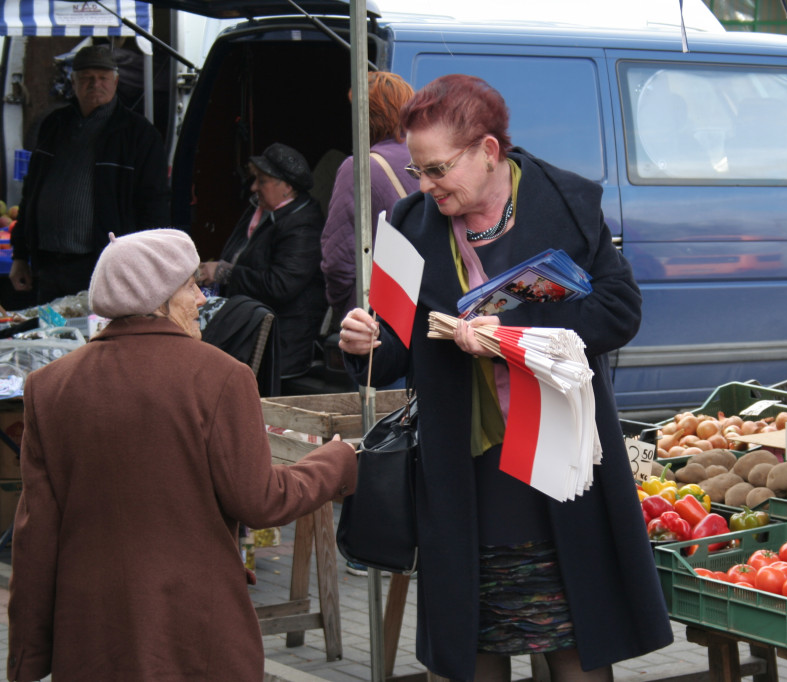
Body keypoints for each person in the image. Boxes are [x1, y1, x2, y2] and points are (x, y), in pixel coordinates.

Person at [338, 74, 672, 681]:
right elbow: (385, 355)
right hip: (462, 469)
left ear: (488, 151)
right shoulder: (411, 225)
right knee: (473, 641)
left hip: (559, 466)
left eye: (438, 169)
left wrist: (509, 332)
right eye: (418, 171)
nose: (426, 184)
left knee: (572, 637)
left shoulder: (567, 203)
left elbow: (619, 312)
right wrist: (363, 339)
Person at [6, 229, 357, 682]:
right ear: (158, 298)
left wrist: (27, 660)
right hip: (194, 629)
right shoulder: (220, 376)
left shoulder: (49, 386)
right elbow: (260, 500)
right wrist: (337, 461)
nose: (201, 298)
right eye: (191, 285)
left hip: (91, 634)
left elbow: (35, 538)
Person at [9, 44, 170, 305]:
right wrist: (19, 255)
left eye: (103, 78)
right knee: (51, 338)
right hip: (48, 265)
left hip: (102, 266)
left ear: (116, 82)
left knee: (95, 338)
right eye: (86, 78)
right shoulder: (53, 124)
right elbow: (31, 193)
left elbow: (154, 204)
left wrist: (148, 265)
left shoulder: (139, 135)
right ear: (73, 82)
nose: (95, 84)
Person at [198, 143, 327, 381]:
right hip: (250, 330)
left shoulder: (303, 225)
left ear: (287, 187)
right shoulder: (259, 210)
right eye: (255, 178)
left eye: (263, 180)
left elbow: (281, 285)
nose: (254, 187)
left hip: (280, 344)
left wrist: (226, 273)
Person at [321, 71, 419, 319]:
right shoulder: (432, 159)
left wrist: (345, 307)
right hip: (429, 307)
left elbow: (338, 260)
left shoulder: (361, 167)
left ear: (365, 117)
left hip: (380, 315)